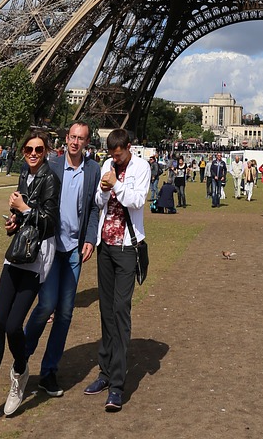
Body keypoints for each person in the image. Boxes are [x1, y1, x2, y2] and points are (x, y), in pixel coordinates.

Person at [0, 129, 59, 434]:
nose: (33, 153)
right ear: (23, 152)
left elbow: (50, 222)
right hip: (16, 254)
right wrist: (14, 221)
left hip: (35, 261)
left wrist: (25, 210)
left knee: (11, 326)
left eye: (39, 149)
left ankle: (21, 369)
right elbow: (22, 216)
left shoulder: (51, 179)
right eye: (29, 149)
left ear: (47, 152)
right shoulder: (24, 175)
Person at [22, 121, 100, 398]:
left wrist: (90, 238)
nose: (76, 142)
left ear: (87, 142)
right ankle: (22, 359)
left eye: (81, 138)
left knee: (65, 313)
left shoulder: (92, 169)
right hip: (50, 245)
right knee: (46, 306)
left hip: (74, 249)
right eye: (73, 137)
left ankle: (49, 371)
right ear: (66, 138)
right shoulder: (51, 165)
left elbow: (92, 207)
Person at [83, 128, 150, 412]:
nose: (115, 159)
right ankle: (105, 373)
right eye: (112, 155)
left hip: (127, 249)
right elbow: (100, 204)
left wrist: (116, 186)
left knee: (121, 310)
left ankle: (118, 386)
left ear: (128, 147)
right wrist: (103, 189)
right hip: (105, 246)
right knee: (106, 311)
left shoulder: (141, 167)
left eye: (118, 154)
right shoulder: (108, 166)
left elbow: (137, 200)